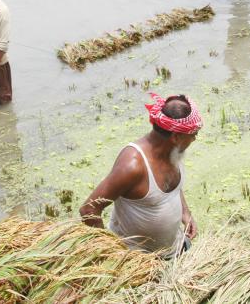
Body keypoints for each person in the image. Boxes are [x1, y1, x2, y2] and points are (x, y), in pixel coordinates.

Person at [79, 93, 202, 258]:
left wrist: (185, 213)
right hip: (140, 262)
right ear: (176, 137)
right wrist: (112, 255)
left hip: (174, 248)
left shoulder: (172, 152)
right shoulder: (133, 167)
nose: (194, 139)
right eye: (193, 134)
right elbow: (89, 209)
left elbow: (173, 186)